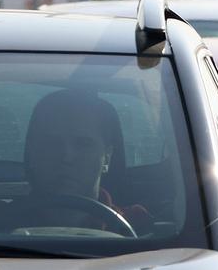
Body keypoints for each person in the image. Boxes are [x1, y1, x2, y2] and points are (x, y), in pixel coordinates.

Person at [22, 89, 150, 232]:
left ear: (107, 157)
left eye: (83, 144)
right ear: (33, 153)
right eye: (53, 144)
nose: (66, 156)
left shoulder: (139, 227)